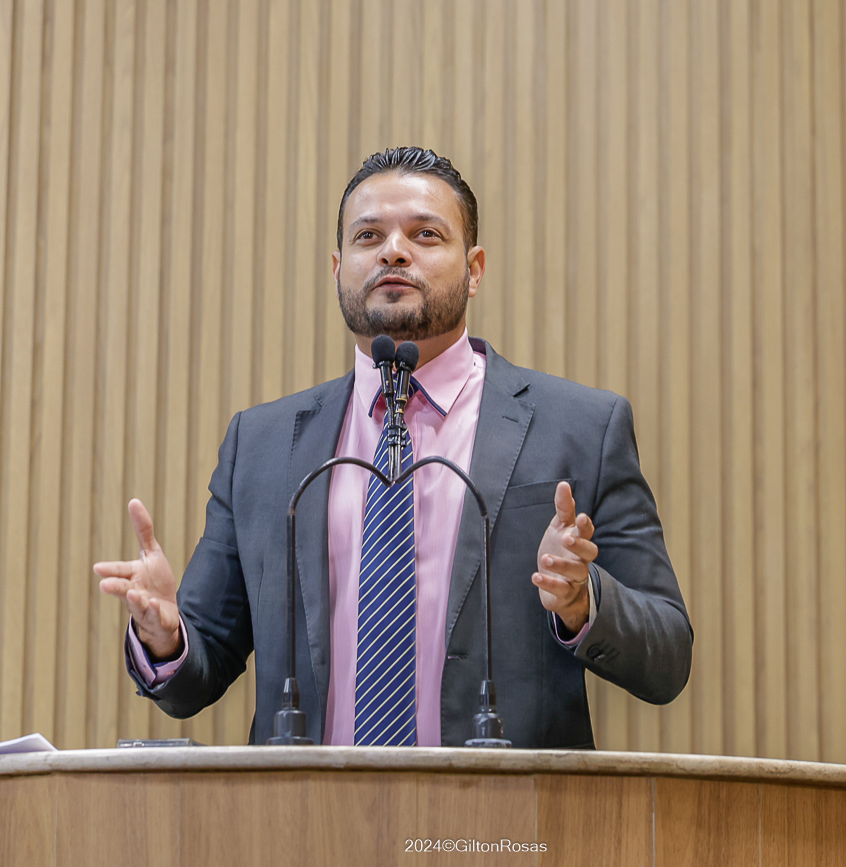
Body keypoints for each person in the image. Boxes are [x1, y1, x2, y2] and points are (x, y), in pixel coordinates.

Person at [95, 147, 692, 748]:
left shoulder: (581, 428)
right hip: (306, 806)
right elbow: (198, 673)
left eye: (426, 234)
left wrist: (583, 603)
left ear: (475, 269)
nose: (393, 252)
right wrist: (165, 637)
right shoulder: (262, 445)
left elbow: (667, 658)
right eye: (368, 236)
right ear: (338, 269)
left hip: (505, 806)